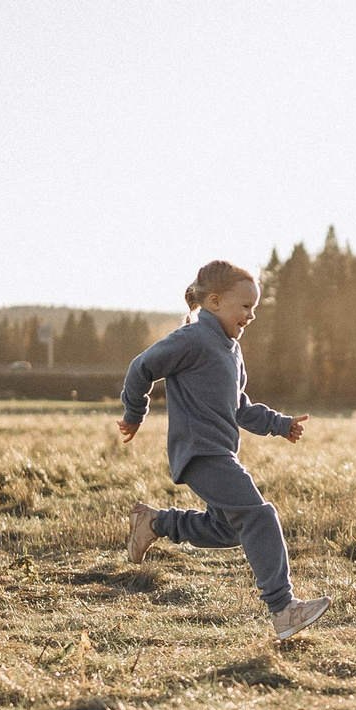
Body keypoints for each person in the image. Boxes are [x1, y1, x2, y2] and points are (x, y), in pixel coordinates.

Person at [117, 260, 331, 642]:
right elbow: (141, 367)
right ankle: (283, 609)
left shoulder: (232, 350)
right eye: (245, 306)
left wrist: (279, 424)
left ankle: (155, 523)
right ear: (214, 301)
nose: (251, 315)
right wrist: (135, 414)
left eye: (255, 307)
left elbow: (239, 407)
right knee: (260, 517)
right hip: (200, 453)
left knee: (228, 529)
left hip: (219, 452)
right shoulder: (192, 339)